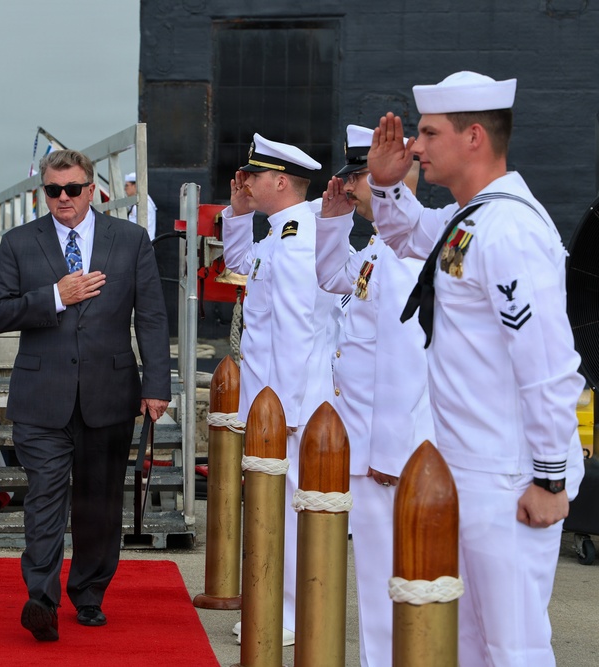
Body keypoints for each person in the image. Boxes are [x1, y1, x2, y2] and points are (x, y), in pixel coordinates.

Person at [367, 71, 586, 665]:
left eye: (428, 133)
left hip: (508, 475)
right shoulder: (473, 218)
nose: (415, 146)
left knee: (513, 647)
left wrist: (548, 479)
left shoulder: (510, 227)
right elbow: (410, 236)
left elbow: (547, 365)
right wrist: (385, 188)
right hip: (467, 467)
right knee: (468, 645)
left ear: (473, 138)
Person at [0, 149, 171, 641]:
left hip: (109, 394)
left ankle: (88, 594)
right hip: (42, 395)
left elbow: (150, 315)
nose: (62, 199)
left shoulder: (129, 240)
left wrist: (157, 385)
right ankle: (40, 599)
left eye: (71, 189)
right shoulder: (19, 243)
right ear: (42, 191)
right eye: (52, 190)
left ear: (92, 190)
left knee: (99, 501)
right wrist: (54, 297)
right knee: (45, 494)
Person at [314, 124, 432, 667]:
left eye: (358, 176)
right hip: (367, 444)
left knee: (389, 578)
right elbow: (334, 276)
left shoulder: (404, 258)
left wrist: (387, 453)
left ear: (400, 172)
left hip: (386, 453)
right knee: (378, 578)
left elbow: (405, 364)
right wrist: (333, 220)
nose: (352, 186)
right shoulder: (382, 248)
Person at [222, 134, 336, 646]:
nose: (245, 181)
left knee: (287, 509)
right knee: (270, 506)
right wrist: (237, 211)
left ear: (281, 181)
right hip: (274, 406)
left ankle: (288, 614)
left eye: (254, 177)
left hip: (287, 411)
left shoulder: (297, 241)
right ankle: (273, 601)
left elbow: (295, 331)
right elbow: (242, 267)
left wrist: (285, 412)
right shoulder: (281, 234)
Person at [124, 171, 157, 242]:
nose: (125, 189)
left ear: (135, 186)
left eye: (127, 185)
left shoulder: (142, 205)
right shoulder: (138, 203)